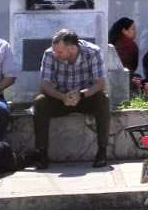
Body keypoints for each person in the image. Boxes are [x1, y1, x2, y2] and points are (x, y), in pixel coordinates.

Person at [30, 29, 111, 169]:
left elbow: (100, 83)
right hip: (60, 98)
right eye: (55, 50)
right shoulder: (49, 54)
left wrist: (82, 94)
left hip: (85, 97)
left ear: (72, 48)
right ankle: (41, 154)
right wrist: (62, 97)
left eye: (60, 52)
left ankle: (102, 152)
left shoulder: (93, 52)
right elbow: (45, 85)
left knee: (103, 99)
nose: (56, 54)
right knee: (40, 102)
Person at [109, 17, 139, 82]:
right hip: (126, 79)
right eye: (133, 29)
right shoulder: (130, 44)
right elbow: (134, 65)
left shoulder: (112, 43)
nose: (135, 32)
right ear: (124, 31)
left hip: (111, 79)